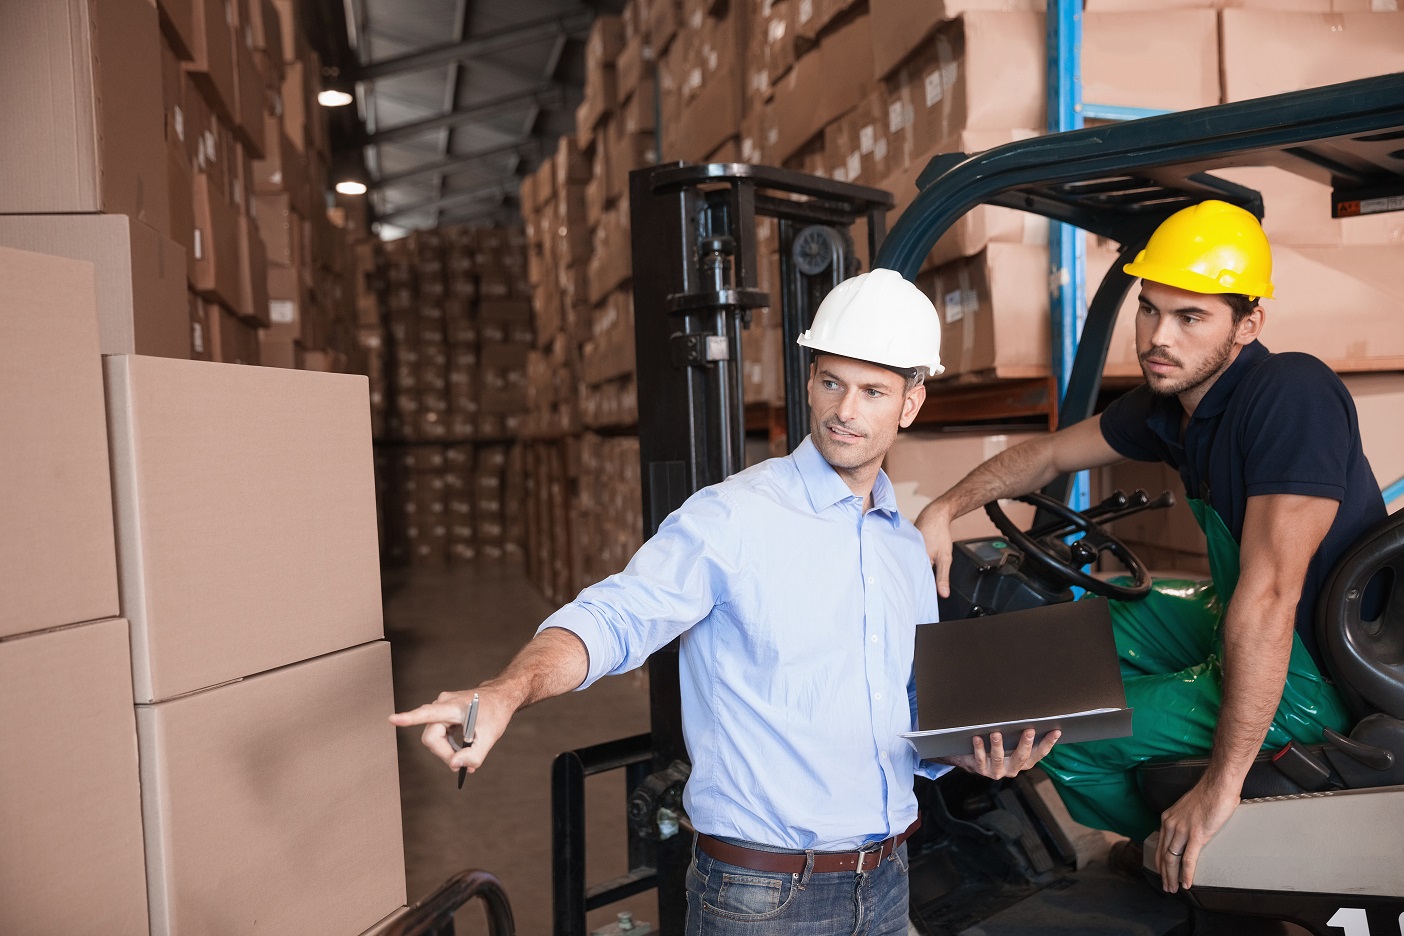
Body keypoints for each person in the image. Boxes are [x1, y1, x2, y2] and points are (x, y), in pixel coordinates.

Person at [391, 268, 1060, 935]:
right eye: (831, 382)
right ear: (809, 380)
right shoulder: (734, 517)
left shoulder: (905, 550)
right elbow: (615, 616)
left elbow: (905, 711)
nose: (845, 411)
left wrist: (967, 753)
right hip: (765, 896)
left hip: (886, 882)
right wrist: (507, 691)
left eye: (872, 391)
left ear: (911, 403)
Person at [914, 200, 1387, 894]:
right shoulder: (1175, 401)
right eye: (1150, 309)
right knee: (1062, 643)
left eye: (1190, 317)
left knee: (1066, 737)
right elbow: (1048, 455)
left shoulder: (1291, 394)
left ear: (1248, 324)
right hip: (1242, 612)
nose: (1158, 337)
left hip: (1310, 669)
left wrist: (1221, 785)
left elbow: (1270, 598)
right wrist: (942, 509)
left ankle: (1177, 852)